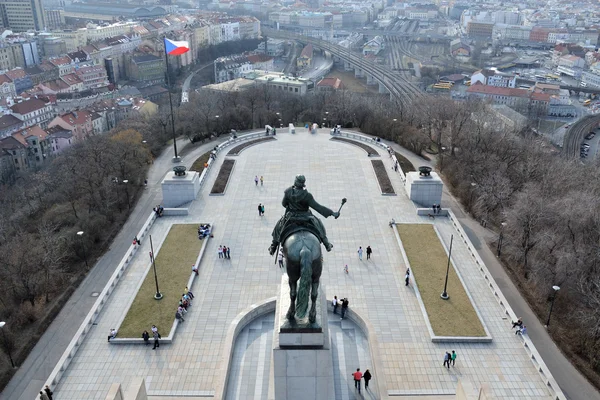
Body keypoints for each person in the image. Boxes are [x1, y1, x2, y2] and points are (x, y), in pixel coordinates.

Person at [269, 175, 340, 255]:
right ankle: (326, 244)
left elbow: (283, 204)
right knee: (319, 224)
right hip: (306, 217)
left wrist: (290, 205)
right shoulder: (307, 195)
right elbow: (318, 207)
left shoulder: (288, 192)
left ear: (295, 182)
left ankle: (273, 246)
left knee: (279, 226)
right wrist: (332, 213)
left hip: (291, 217)